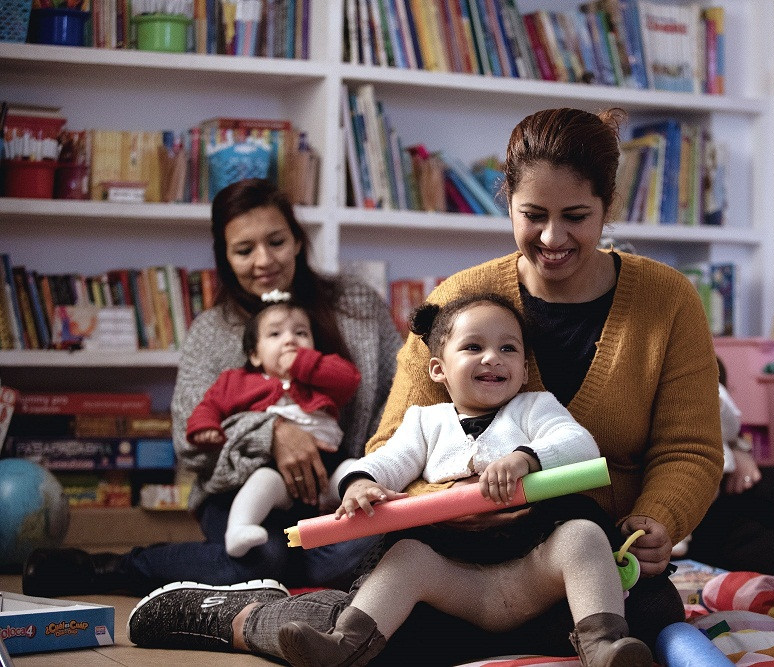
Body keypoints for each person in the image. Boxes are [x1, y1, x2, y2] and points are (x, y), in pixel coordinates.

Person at [127, 108, 724, 664]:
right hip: (453, 551)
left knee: (645, 616)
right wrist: (442, 498)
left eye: (576, 217)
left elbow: (689, 449)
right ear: (508, 202)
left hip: (586, 553)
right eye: (532, 216)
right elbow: (395, 442)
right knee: (376, 614)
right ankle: (236, 615)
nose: (551, 239)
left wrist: (657, 519)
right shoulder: (455, 304)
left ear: (608, 204)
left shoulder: (667, 300)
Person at [22, 178, 401, 597]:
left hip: (341, 488)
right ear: (224, 257)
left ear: (297, 240)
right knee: (263, 558)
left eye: (276, 241)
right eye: (243, 250)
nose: (263, 261)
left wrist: (367, 474)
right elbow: (191, 441)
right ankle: (105, 569)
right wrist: (270, 434)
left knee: (365, 545)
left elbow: (396, 395)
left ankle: (276, 570)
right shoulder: (210, 332)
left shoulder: (357, 306)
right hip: (239, 493)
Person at [278, 293, 651, 667]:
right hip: (457, 577)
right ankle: (344, 645)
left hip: (532, 570)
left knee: (583, 535)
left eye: (508, 348)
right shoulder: (425, 422)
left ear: (523, 370)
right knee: (407, 555)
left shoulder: (535, 407)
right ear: (438, 369)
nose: (492, 357)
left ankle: (604, 646)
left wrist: (525, 458)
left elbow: (580, 445)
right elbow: (388, 460)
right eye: (474, 347)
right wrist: (361, 483)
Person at [187, 291, 361, 558]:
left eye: (301, 333)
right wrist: (204, 426)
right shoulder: (237, 381)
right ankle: (240, 528)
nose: (290, 340)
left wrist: (304, 363)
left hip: (331, 461)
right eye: (275, 334)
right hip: (276, 469)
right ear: (255, 354)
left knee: (356, 471)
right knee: (262, 482)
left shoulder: (318, 377)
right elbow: (210, 405)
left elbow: (349, 379)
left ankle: (371, 506)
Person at [684, 357, 774, 575]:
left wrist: (738, 449)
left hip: (730, 482)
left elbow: (726, 427)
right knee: (734, 535)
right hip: (696, 516)